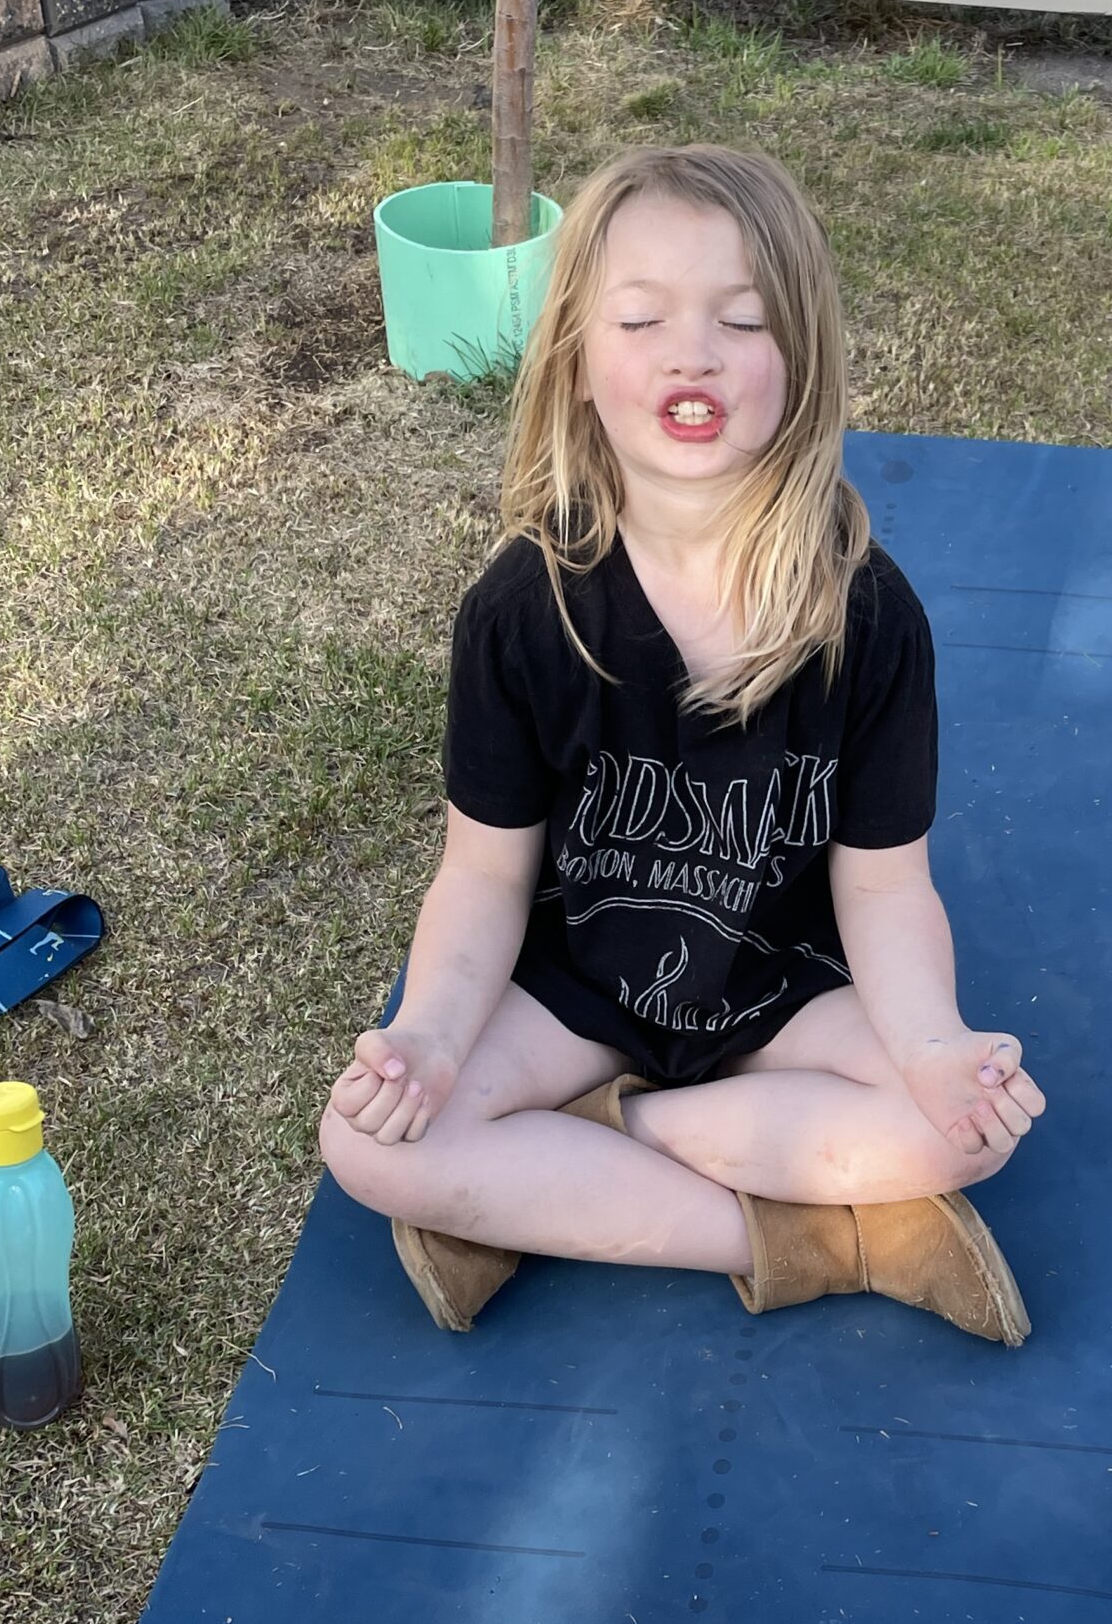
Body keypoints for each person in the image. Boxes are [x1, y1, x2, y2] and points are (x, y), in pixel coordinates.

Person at [319, 144, 1044, 1343]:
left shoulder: (868, 616)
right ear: (575, 358)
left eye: (741, 321)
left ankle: (593, 1147)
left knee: (964, 1134)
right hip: (576, 991)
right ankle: (832, 1239)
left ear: (801, 358)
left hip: (780, 989)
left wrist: (935, 1048)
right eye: (641, 318)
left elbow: (884, 885)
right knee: (367, 1143)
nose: (690, 353)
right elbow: (484, 873)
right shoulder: (522, 611)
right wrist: (431, 1039)